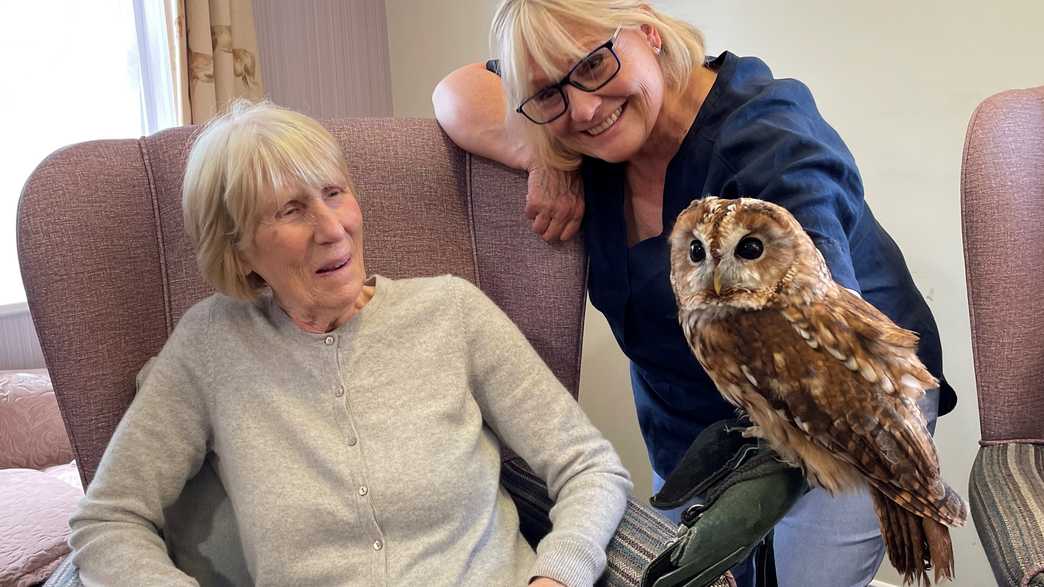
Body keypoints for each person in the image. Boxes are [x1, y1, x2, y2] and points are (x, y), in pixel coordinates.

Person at [431, 1, 957, 586]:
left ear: (649, 34)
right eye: (549, 94)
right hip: (689, 426)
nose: (582, 106)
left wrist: (903, 477)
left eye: (595, 66)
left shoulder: (771, 142)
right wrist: (543, 153)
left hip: (838, 416)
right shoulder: (588, 137)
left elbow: (831, 340)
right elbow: (455, 93)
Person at [67, 100, 632, 587]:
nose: (331, 228)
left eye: (334, 193)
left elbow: (589, 466)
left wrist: (558, 573)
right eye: (291, 210)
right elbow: (107, 522)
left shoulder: (451, 312)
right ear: (238, 249)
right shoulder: (211, 345)